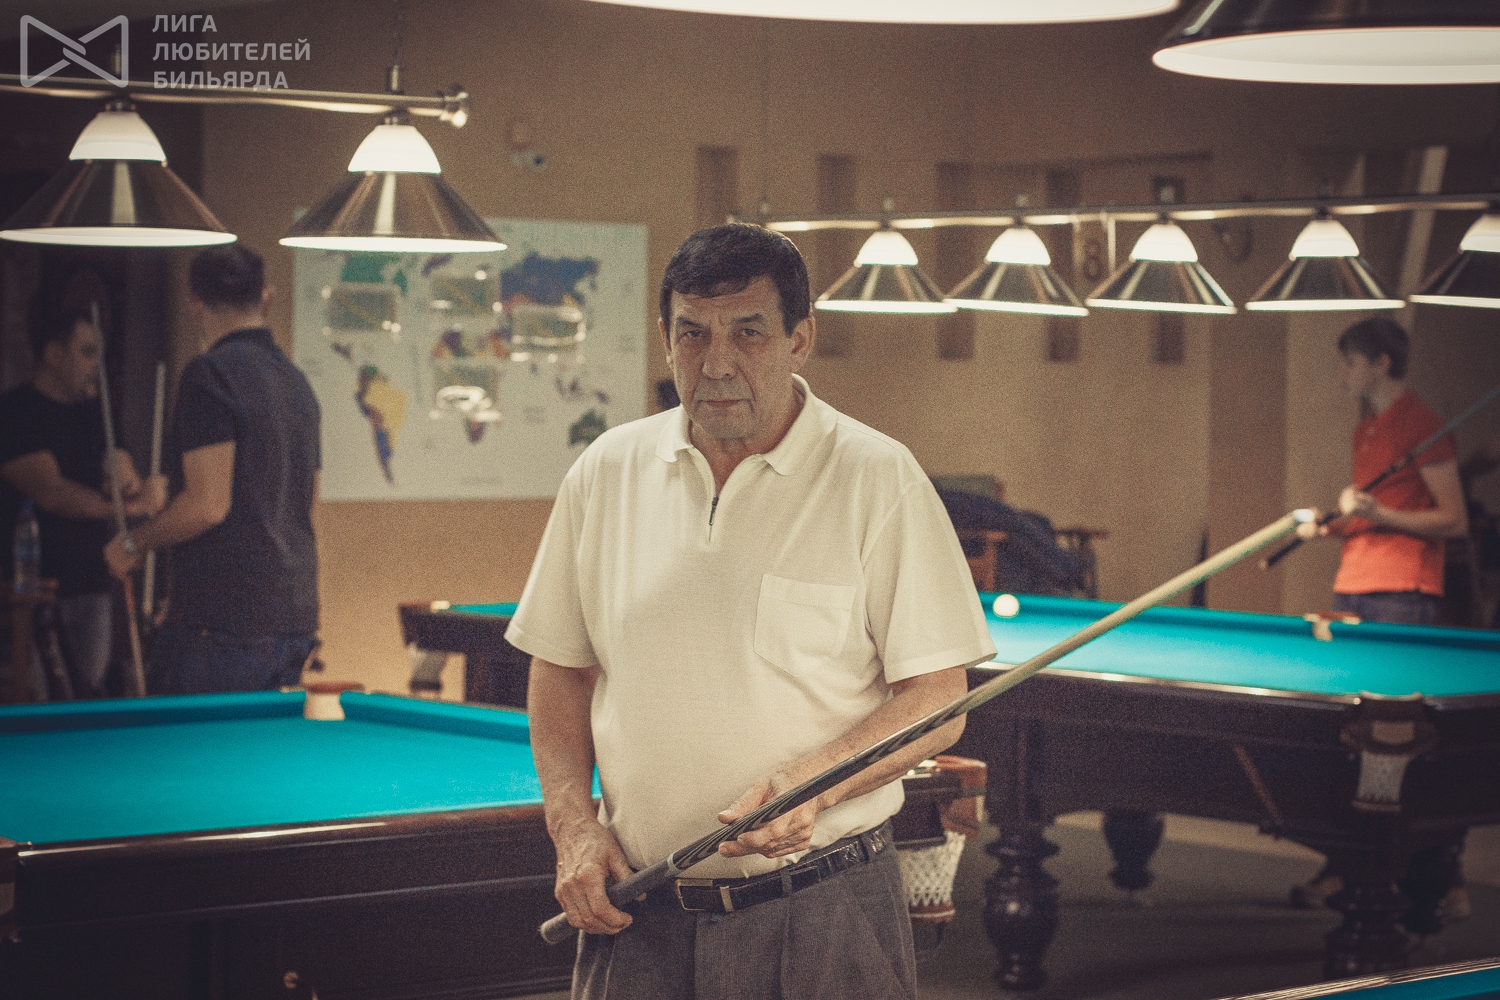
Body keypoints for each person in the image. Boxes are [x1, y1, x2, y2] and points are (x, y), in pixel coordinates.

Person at [507, 223, 996, 1000]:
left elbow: (938, 699)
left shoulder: (878, 477)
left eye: (749, 333)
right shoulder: (605, 471)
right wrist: (572, 828)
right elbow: (560, 669)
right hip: (639, 913)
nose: (717, 363)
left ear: (800, 339)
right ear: (665, 339)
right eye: (693, 334)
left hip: (821, 909)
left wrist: (817, 782)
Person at [1291, 316, 1470, 926]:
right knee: (1350, 738)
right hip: (1356, 586)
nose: (1344, 373)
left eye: (1351, 362)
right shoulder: (1368, 426)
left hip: (1403, 593)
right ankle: (1347, 861)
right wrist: (1331, 526)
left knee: (1401, 744)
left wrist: (1379, 515)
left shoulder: (1421, 424)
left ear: (1381, 363)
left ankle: (1441, 878)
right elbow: (1374, 514)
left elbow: (1452, 519)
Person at [104, 244, 321, 695]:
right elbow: (305, 508)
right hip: (293, 615)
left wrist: (133, 543)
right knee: (259, 740)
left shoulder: (210, 375)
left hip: (225, 624)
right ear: (266, 298)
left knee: (184, 740)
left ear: (195, 305)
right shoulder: (297, 382)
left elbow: (207, 505)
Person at [0, 306, 164, 699]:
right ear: (53, 354)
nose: (98, 367)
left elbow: (120, 468)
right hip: (31, 592)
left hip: (91, 583)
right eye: (88, 353)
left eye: (101, 355)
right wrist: (131, 508)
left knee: (87, 696)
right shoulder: (15, 411)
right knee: (40, 701)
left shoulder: (95, 413)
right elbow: (51, 492)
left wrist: (129, 481)